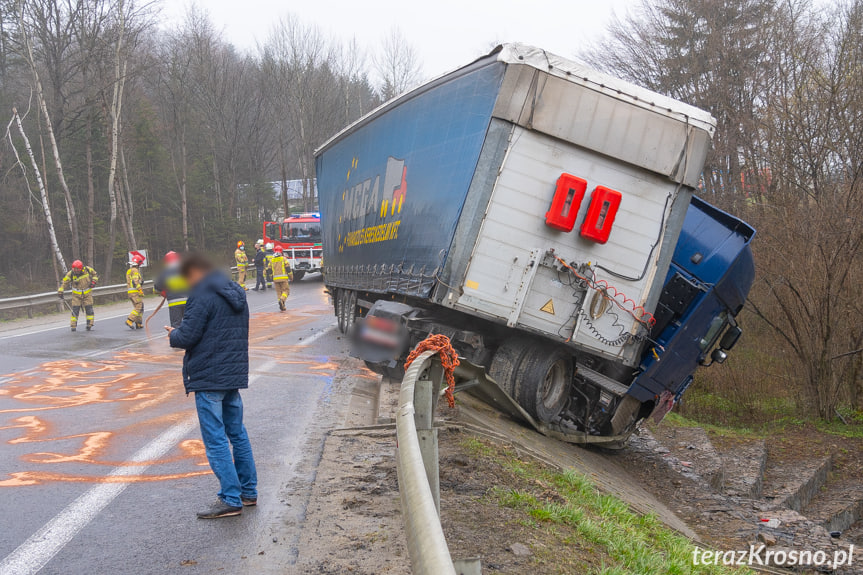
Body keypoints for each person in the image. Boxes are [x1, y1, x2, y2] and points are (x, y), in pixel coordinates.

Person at [166, 252, 257, 519]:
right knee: (237, 433)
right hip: (233, 374)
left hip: (209, 376)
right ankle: (248, 492)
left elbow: (188, 336)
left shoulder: (202, 295)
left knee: (215, 439)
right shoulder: (236, 292)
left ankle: (230, 498)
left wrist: (173, 335)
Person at [58, 260, 99, 332]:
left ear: (81, 268)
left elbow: (95, 275)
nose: (76, 271)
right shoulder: (70, 274)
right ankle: (73, 326)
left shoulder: (88, 270)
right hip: (76, 295)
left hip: (87, 294)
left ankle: (89, 325)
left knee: (89, 309)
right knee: (75, 310)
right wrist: (60, 291)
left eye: (77, 269)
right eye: (74, 269)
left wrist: (93, 282)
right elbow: (64, 282)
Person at [154, 251, 189, 328]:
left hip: (174, 303)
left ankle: (178, 339)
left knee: (176, 326)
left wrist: (162, 291)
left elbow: (157, 288)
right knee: (190, 324)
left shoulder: (165, 272)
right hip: (189, 302)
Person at [267, 245, 293, 312]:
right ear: (281, 251)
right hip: (284, 279)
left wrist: (271, 277)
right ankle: (282, 300)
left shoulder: (271, 260)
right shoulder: (283, 259)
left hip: (275, 279)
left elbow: (269, 270)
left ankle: (282, 306)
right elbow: (288, 269)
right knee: (286, 291)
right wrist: (291, 277)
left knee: (279, 292)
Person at [125, 254, 145, 330]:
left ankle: (138, 323)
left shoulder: (129, 270)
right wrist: (140, 290)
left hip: (130, 292)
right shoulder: (135, 270)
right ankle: (129, 320)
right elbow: (135, 281)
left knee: (139, 307)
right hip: (135, 292)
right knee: (139, 306)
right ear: (138, 263)